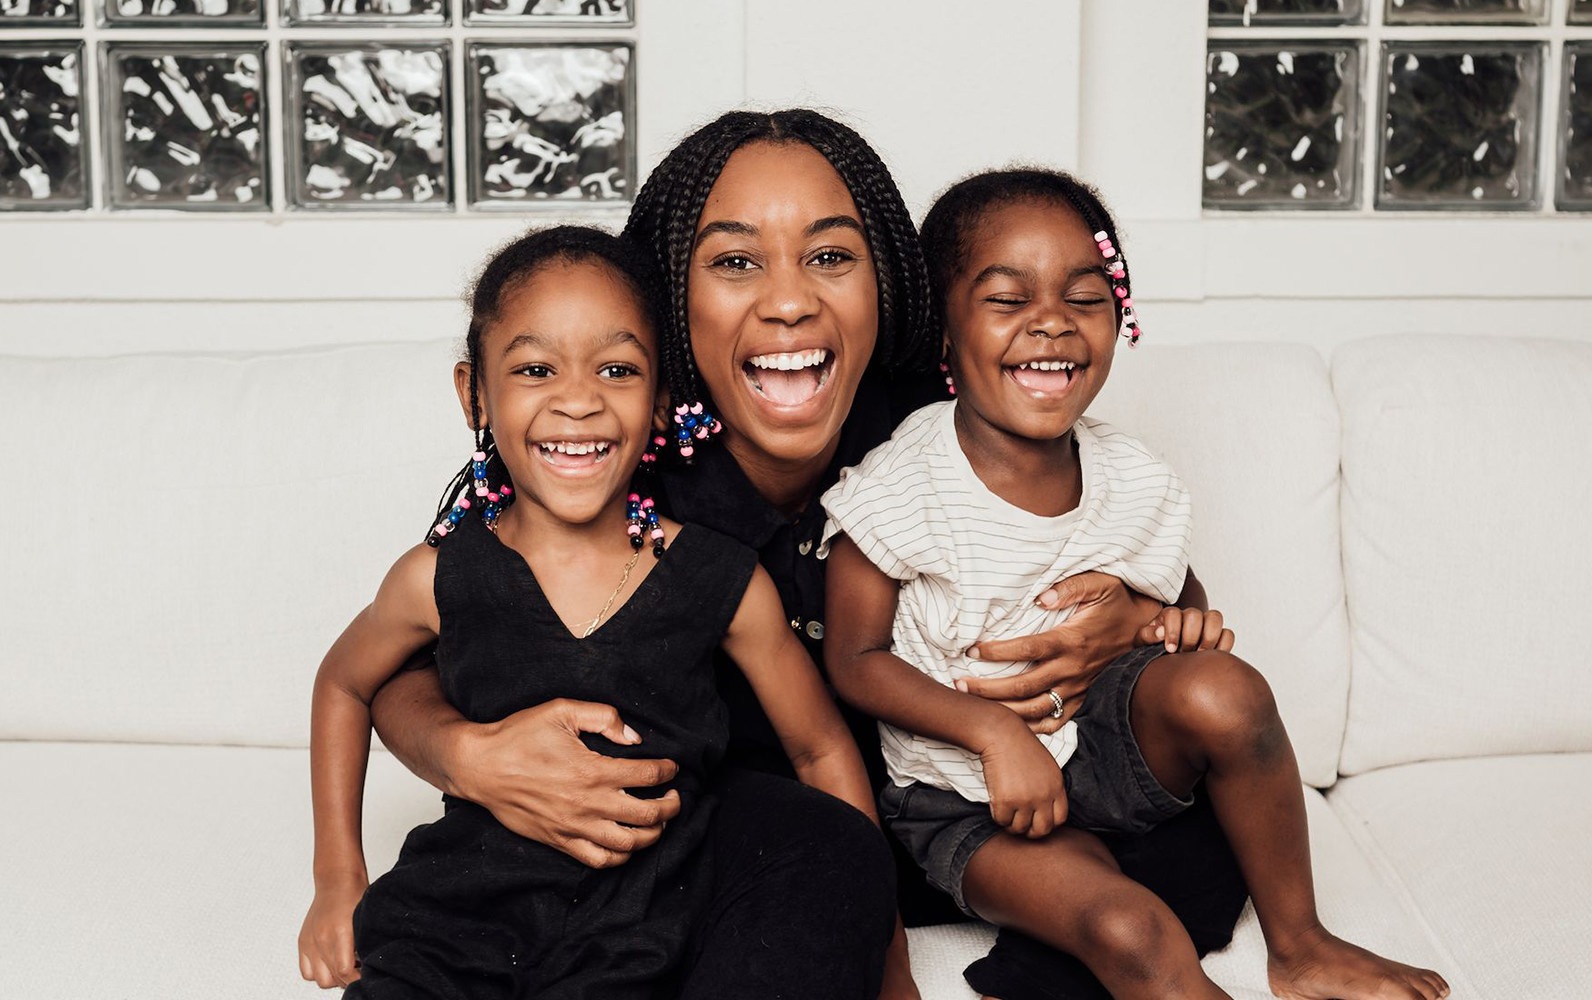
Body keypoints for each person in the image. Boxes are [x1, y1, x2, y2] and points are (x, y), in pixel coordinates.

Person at [367, 109, 1245, 1000]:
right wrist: (462, 754)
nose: (789, 300)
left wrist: (1133, 622)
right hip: (726, 862)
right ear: (669, 299)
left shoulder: (944, 429)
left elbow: (1134, 538)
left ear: (888, 284)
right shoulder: (606, 464)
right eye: (735, 260)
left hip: (990, 812)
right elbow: (410, 658)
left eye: (830, 256)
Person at [821, 166, 1450, 1000]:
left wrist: (1175, 623)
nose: (1051, 323)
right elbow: (855, 659)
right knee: (1132, 930)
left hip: (1101, 754)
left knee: (1228, 690)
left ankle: (1302, 946)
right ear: (943, 330)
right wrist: (994, 734)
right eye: (1009, 301)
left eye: (1084, 299)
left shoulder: (1133, 476)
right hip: (964, 797)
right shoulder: (901, 486)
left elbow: (1176, 596)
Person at [297, 225, 883, 997]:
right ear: (475, 393)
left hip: (652, 919)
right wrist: (338, 877)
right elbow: (343, 685)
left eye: (617, 368)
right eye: (536, 369)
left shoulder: (720, 580)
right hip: (462, 917)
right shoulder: (436, 576)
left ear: (662, 394)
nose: (578, 400)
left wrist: (884, 947)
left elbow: (819, 751)